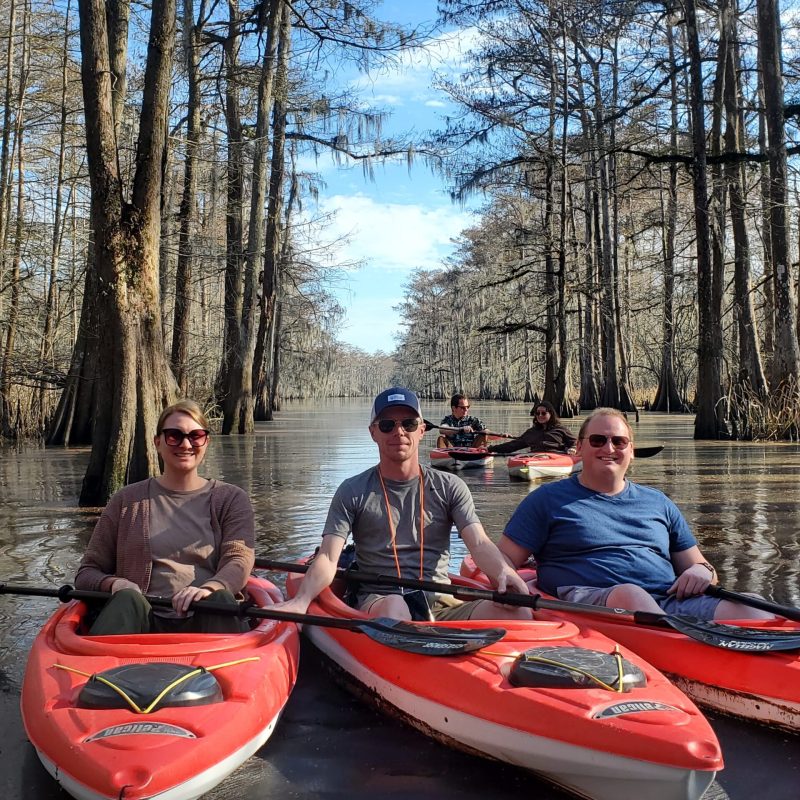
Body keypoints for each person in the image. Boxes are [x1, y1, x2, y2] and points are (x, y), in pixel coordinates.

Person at [276, 387, 530, 621]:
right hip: (380, 601)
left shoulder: (450, 486)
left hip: (439, 604)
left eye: (408, 424)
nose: (399, 432)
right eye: (387, 425)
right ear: (373, 432)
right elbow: (329, 557)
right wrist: (301, 601)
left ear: (421, 430)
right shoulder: (352, 490)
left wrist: (504, 573)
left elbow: (479, 543)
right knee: (397, 607)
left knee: (521, 613)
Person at [497, 407, 771, 620]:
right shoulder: (546, 500)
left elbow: (703, 567)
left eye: (619, 441)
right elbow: (504, 559)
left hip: (667, 601)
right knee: (630, 595)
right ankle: (679, 648)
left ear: (631, 451)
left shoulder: (658, 502)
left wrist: (702, 572)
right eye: (597, 440)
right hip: (592, 603)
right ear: (579, 448)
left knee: (750, 606)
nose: (609, 448)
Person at [75, 399, 256, 635]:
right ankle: (99, 665)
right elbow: (87, 572)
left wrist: (212, 587)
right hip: (141, 620)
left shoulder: (231, 499)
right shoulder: (126, 500)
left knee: (220, 600)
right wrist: (116, 584)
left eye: (196, 435)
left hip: (207, 616)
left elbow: (239, 560)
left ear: (206, 442)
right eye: (174, 435)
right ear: (158, 442)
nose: (185, 444)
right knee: (127, 599)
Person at [487, 400, 576, 455]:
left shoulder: (561, 430)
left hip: (557, 457)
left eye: (543, 413)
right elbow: (513, 445)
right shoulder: (531, 432)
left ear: (551, 414)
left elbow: (575, 442)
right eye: (537, 413)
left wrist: (573, 448)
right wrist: (490, 449)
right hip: (535, 458)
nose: (540, 415)